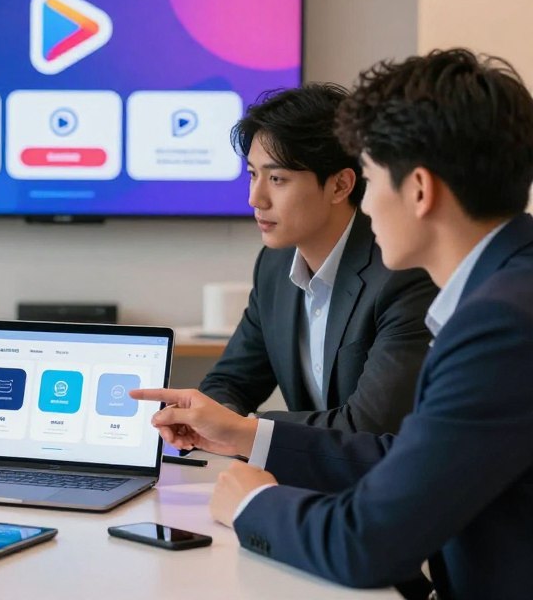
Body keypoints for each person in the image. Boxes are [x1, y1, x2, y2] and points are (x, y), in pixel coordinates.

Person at [133, 49, 533, 600]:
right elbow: (402, 452)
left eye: (368, 179)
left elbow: (366, 542)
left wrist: (254, 504)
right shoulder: (508, 290)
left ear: (419, 189)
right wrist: (242, 433)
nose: (366, 208)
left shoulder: (501, 323)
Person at [199, 84, 436, 433]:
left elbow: (369, 425)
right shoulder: (274, 266)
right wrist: (203, 418)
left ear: (340, 185)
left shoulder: (401, 273)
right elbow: (231, 382)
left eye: (277, 179)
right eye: (252, 174)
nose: (255, 198)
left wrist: (241, 430)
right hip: (312, 477)